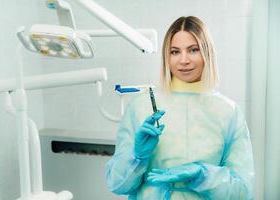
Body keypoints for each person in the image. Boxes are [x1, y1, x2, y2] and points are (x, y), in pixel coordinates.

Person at [105, 16, 254, 200]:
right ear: (166, 57)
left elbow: (243, 192)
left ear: (207, 53)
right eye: (175, 52)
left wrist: (203, 175)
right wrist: (137, 157)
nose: (183, 60)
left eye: (193, 50)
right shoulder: (141, 107)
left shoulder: (228, 112)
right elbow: (117, 185)